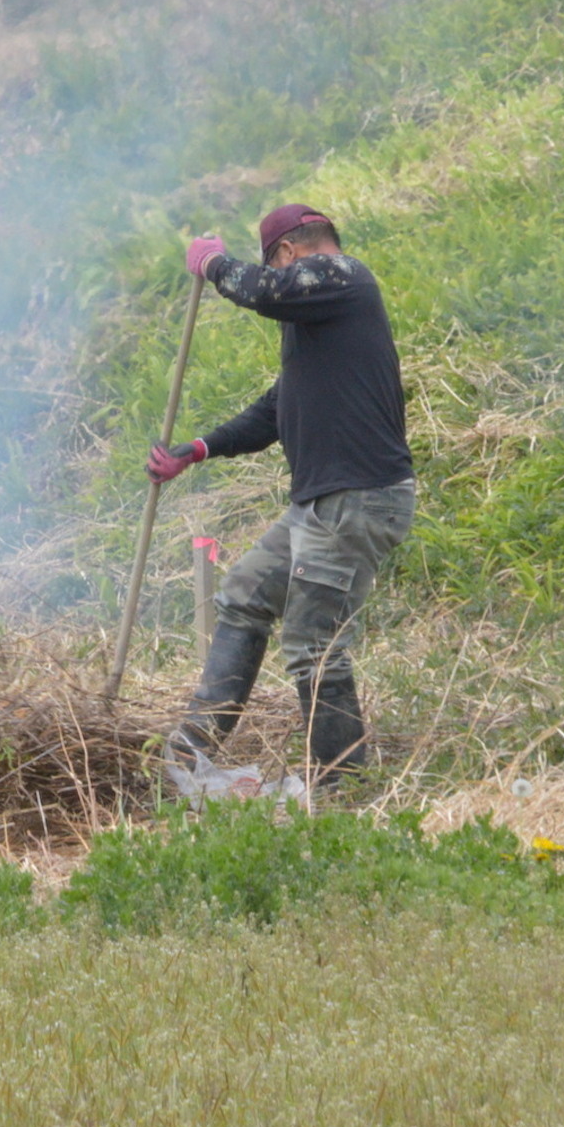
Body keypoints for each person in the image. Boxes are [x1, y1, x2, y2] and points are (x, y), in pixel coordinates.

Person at [146, 203, 415, 792]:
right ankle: (188, 756)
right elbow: (277, 408)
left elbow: (265, 291)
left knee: (313, 646)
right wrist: (198, 449)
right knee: (244, 593)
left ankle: (339, 791)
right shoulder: (321, 330)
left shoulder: (344, 276)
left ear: (290, 254)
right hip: (321, 506)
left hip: (358, 499)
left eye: (279, 265)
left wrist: (214, 264)